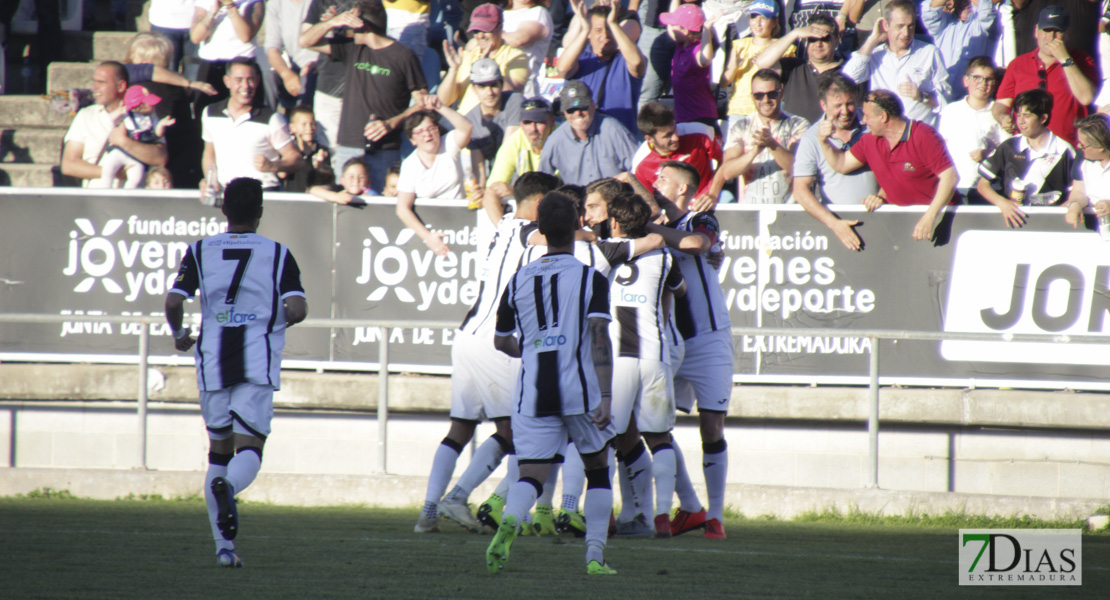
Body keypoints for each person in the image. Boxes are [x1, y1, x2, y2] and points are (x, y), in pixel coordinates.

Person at [164, 177, 308, 569]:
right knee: (250, 451)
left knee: (218, 451)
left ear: (223, 210)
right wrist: (270, 323)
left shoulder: (200, 251)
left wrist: (179, 334)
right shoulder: (277, 253)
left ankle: (223, 548)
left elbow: (174, 301)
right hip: (254, 363)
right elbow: (297, 310)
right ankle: (231, 487)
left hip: (212, 363)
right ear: (260, 212)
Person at [415, 171, 560, 534]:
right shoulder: (530, 231)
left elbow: (492, 197)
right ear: (541, 205)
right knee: (516, 432)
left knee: (460, 428)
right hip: (496, 342)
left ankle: (429, 512)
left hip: (467, 336)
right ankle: (458, 497)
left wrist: (500, 190)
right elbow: (558, 235)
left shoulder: (507, 223)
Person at [487, 191, 618, 576]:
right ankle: (595, 556)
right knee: (597, 470)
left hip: (533, 394)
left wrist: (530, 350)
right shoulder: (591, 278)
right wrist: (607, 394)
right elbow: (599, 336)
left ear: (540, 230)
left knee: (531, 473)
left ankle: (512, 516)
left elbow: (501, 341)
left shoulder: (518, 279)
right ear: (579, 225)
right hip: (581, 393)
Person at [644, 159, 731, 539]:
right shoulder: (648, 233)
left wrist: (650, 229)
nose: (656, 180)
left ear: (683, 189)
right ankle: (690, 506)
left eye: (664, 177)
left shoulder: (700, 220)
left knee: (711, 427)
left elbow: (699, 245)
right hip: (670, 340)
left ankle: (715, 515)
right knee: (653, 425)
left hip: (710, 338)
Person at [601, 191, 686, 537]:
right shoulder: (665, 259)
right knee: (660, 438)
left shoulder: (604, 252)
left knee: (605, 439)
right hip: (654, 355)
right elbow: (679, 292)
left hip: (617, 359)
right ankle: (662, 516)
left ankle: (603, 513)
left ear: (616, 223)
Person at [301, 0, 430, 192]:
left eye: (352, 24)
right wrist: (331, 23)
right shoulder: (353, 48)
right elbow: (305, 41)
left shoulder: (403, 56)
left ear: (363, 26)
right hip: (348, 144)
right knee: (347, 202)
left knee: (381, 205)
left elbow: (423, 102)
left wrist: (392, 123)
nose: (348, 29)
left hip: (385, 149)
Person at [818, 89, 958, 241]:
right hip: (900, 224)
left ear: (883, 117)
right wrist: (823, 141)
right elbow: (841, 164)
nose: (863, 120)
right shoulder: (870, 140)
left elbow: (950, 177)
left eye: (867, 115)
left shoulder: (922, 135)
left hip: (941, 220)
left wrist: (930, 216)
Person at [793, 72, 878, 251]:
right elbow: (800, 190)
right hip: (836, 229)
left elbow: (895, 166)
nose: (845, 111)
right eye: (838, 106)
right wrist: (834, 224)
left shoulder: (873, 126)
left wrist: (883, 195)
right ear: (823, 105)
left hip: (880, 220)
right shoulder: (811, 138)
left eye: (850, 104)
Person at [992, 5, 1098, 147]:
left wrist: (1065, 59)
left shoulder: (1083, 61)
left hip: (1068, 150)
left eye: (1057, 31)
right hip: (1027, 148)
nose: (1051, 37)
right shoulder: (1017, 64)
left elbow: (1086, 98)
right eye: (1046, 30)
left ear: (1068, 34)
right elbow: (1001, 104)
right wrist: (1003, 117)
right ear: (1036, 31)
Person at [200, 59, 306, 192]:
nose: (246, 86)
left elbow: (297, 160)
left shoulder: (272, 119)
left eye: (250, 80)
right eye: (239, 80)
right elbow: (209, 153)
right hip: (225, 193)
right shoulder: (210, 113)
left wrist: (273, 166)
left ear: (258, 81)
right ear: (227, 82)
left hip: (263, 195)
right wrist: (210, 180)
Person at [841, 0, 951, 127]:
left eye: (910, 26)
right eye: (900, 26)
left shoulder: (929, 52)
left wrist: (922, 96)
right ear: (886, 26)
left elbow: (946, 99)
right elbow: (848, 78)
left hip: (918, 134)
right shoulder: (875, 54)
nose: (906, 33)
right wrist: (872, 40)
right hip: (885, 134)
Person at [976, 88, 1077, 227]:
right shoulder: (1008, 146)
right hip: (1012, 223)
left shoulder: (1064, 151)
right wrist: (1002, 203)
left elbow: (1077, 193)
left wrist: (1057, 217)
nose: (1021, 121)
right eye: (1018, 115)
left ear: (1043, 118)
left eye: (1027, 116)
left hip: (1049, 226)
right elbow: (982, 185)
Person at [61, 62, 169, 188]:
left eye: (102, 82)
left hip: (135, 201)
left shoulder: (144, 115)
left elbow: (160, 158)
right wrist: (112, 172)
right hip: (97, 199)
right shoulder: (86, 115)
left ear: (121, 86)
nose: (95, 87)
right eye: (95, 81)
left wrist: (124, 142)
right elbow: (69, 165)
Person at [713, 69, 810, 204]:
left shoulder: (798, 124)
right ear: (752, 97)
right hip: (749, 212)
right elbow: (727, 172)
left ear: (781, 93)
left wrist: (772, 145)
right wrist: (754, 152)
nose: (766, 100)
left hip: (788, 211)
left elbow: (800, 169)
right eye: (759, 95)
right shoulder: (741, 126)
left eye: (771, 94)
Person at [395, 95, 475, 256]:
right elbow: (402, 208)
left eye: (431, 128)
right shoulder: (410, 165)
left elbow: (466, 128)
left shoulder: (449, 144)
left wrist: (440, 107)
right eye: (420, 132)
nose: (427, 135)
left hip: (461, 225)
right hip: (430, 229)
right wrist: (428, 238)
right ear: (412, 140)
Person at [556, 2, 647, 136]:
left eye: (609, 29)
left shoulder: (625, 58)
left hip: (620, 138)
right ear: (590, 33)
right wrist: (585, 30)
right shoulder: (581, 58)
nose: (605, 35)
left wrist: (614, 24)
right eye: (598, 30)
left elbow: (638, 63)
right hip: (583, 138)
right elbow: (562, 70)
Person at [538, 81, 640, 186]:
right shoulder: (555, 140)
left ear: (592, 105)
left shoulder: (614, 129)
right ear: (564, 112)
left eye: (583, 107)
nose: (577, 113)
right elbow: (542, 182)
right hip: (577, 200)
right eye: (571, 110)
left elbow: (640, 167)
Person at [438, 4, 530, 115]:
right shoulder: (468, 55)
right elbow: (443, 101)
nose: (480, 36)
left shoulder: (516, 56)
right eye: (476, 31)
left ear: (500, 28)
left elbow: (511, 95)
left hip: (496, 121)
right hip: (465, 121)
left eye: (486, 30)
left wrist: (490, 65)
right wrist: (453, 69)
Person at [753, 15, 844, 124]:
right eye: (812, 38)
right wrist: (794, 34)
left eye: (824, 39)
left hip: (831, 137)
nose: (818, 44)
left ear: (836, 40)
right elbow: (762, 62)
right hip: (793, 137)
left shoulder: (847, 71)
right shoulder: (793, 66)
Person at [937, 56, 1005, 200]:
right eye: (977, 78)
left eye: (988, 79)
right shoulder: (951, 111)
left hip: (990, 187)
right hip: (957, 185)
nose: (982, 83)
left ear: (994, 84)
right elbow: (940, 149)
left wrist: (988, 153)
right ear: (966, 80)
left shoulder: (999, 112)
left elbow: (1007, 150)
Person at [189, 0, 268, 120]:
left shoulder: (252, 2)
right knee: (206, 116)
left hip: (242, 65)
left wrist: (230, 6)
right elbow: (195, 37)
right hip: (210, 66)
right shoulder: (206, 3)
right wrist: (212, 12)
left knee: (247, 115)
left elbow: (245, 35)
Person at [723, 0, 791, 131]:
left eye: (764, 18)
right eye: (753, 17)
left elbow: (785, 82)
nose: (757, 24)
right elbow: (723, 83)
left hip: (769, 110)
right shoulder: (739, 45)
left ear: (775, 22)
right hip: (740, 111)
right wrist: (733, 66)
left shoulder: (784, 47)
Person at [631, 102, 722, 200]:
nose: (675, 138)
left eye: (674, 129)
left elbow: (725, 162)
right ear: (649, 139)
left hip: (710, 200)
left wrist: (713, 193)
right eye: (667, 136)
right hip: (670, 212)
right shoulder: (640, 164)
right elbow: (649, 202)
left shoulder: (701, 133)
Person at [460, 58, 525, 183]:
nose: (489, 92)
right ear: (473, 89)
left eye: (493, 85)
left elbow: (508, 152)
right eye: (482, 87)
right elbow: (478, 170)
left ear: (501, 84)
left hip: (519, 179)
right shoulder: (470, 120)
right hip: (495, 184)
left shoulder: (515, 101)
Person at [98, 85, 176, 189]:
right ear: (138, 105)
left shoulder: (151, 118)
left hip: (136, 157)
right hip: (120, 152)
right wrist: (120, 111)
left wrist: (162, 125)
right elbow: (108, 121)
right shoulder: (127, 116)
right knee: (108, 168)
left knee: (136, 177)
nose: (153, 107)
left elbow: (157, 134)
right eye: (149, 104)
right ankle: (105, 190)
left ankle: (128, 197)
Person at [920, 0, 998, 101]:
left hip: (972, 102)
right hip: (942, 101)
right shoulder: (943, 24)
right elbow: (929, 11)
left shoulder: (985, 23)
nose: (965, 2)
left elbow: (986, 12)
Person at [660, 4, 718, 129]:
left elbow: (705, 59)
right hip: (683, 118)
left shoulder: (696, 49)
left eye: (674, 25)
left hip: (701, 118)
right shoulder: (680, 44)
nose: (670, 28)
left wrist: (707, 29)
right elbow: (671, 27)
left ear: (685, 31)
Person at [486, 97, 556, 194]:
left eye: (539, 122)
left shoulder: (562, 139)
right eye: (527, 122)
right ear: (521, 124)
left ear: (552, 121)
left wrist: (514, 190)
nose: (533, 129)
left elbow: (568, 187)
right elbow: (493, 188)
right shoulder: (514, 142)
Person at [265, 0, 320, 110]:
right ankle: (269, 119)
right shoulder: (275, 4)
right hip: (294, 67)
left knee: (307, 78)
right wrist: (286, 74)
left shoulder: (319, 2)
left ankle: (301, 119)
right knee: (268, 76)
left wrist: (316, 63)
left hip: (318, 64)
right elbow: (272, 49)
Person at [1065, 114, 1110, 229]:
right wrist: (1074, 204)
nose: (1078, 146)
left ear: (1100, 146)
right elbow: (1079, 191)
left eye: (1083, 145)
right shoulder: (1083, 159)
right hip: (1095, 229)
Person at [502, 0, 555, 97]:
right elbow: (471, 45)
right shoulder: (500, 14)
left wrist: (490, 36)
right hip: (493, 87)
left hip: (525, 92)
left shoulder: (538, 12)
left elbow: (518, 39)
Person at [283, 104, 334, 193]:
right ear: (292, 128)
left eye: (312, 124)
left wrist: (320, 166)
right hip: (294, 198)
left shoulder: (322, 151)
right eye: (304, 124)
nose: (309, 128)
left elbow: (327, 181)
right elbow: (282, 174)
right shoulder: (289, 150)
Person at [309, 157, 376, 204]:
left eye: (361, 177)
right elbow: (314, 189)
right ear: (342, 180)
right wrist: (336, 197)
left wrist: (367, 199)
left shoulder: (369, 194)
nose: (356, 180)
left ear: (368, 181)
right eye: (351, 177)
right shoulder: (338, 189)